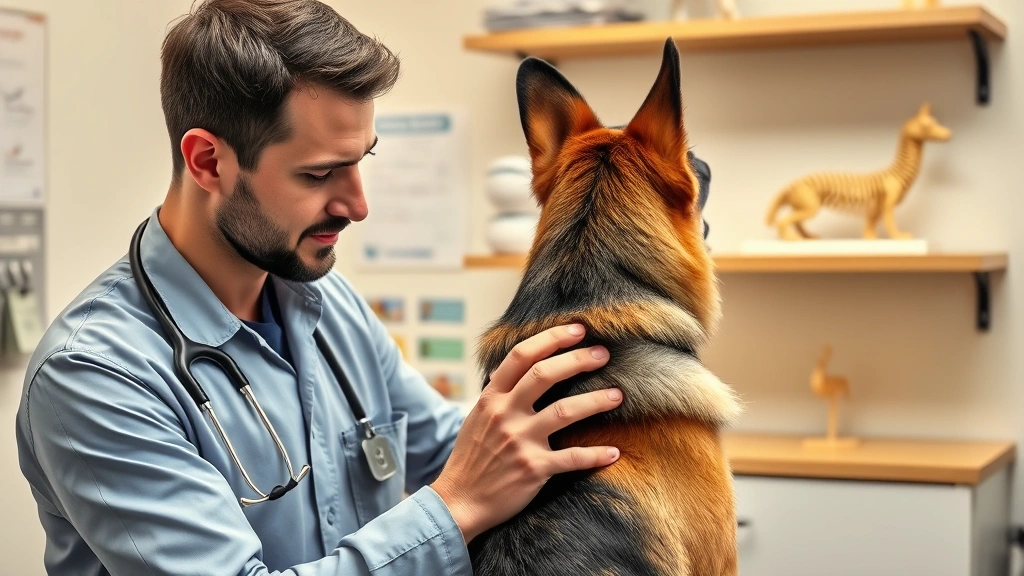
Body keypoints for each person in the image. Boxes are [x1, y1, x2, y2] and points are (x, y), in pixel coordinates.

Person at [13, 1, 625, 574]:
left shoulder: (328, 306)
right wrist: (453, 507)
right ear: (207, 162)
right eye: (319, 173)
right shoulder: (95, 375)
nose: (358, 205)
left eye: (363, 160)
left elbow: (455, 448)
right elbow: (462, 483)